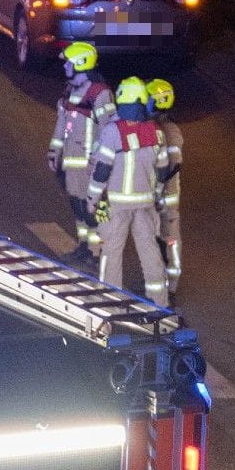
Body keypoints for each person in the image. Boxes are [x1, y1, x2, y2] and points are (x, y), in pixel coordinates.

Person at [86, 76, 170, 305]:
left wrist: (92, 199)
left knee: (111, 254)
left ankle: (109, 303)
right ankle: (159, 302)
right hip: (145, 205)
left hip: (115, 205)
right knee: (150, 253)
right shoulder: (156, 132)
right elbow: (162, 171)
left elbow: (101, 171)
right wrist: (158, 196)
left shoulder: (113, 131)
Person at [48, 42, 115, 262]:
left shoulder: (100, 94)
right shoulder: (70, 90)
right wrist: (54, 150)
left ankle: (100, 252)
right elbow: (62, 122)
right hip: (72, 161)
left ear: (81, 63)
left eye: (69, 62)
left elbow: (109, 130)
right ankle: (84, 245)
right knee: (77, 204)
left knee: (96, 207)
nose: (65, 65)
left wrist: (100, 158)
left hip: (90, 163)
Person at [145, 78, 183, 303]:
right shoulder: (158, 127)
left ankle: (170, 287)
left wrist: (159, 189)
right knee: (156, 239)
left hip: (166, 198)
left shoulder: (169, 131)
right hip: (157, 196)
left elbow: (173, 165)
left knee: (170, 241)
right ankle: (160, 281)